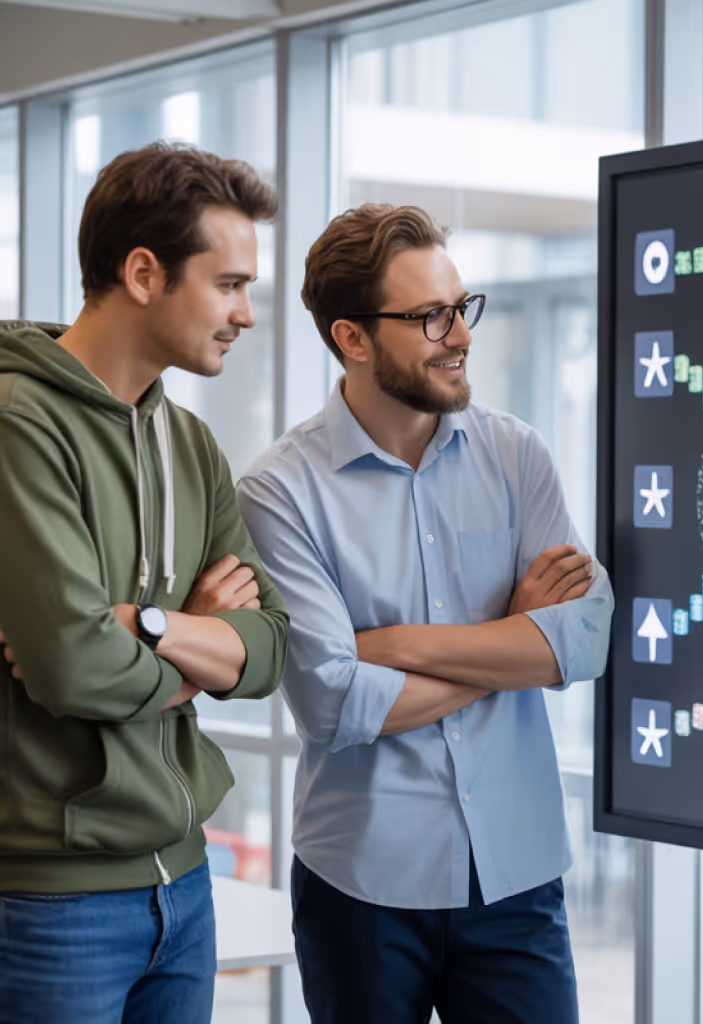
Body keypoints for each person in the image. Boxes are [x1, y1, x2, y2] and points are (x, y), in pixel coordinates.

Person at [236, 203, 613, 1024]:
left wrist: (396, 646)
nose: (460, 333)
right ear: (353, 338)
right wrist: (509, 641)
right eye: (429, 317)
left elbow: (581, 639)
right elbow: (333, 700)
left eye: (461, 307)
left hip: (516, 878)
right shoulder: (280, 491)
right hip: (362, 886)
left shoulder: (517, 455)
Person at [0, 142, 289, 1024]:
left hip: (184, 884)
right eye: (229, 284)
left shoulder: (191, 444)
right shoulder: (19, 423)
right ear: (142, 272)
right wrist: (200, 642)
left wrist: (152, 625)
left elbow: (271, 646)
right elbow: (70, 668)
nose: (246, 313)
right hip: (51, 902)